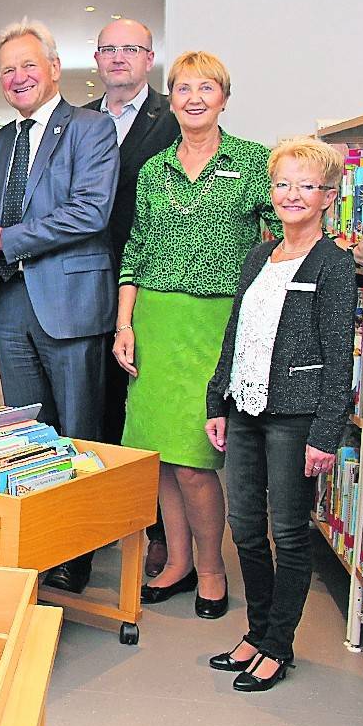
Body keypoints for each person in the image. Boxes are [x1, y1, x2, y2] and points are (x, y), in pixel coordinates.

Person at [113, 51, 280, 617]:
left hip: (216, 326)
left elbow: (287, 238)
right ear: (171, 99)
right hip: (155, 321)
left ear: (224, 98)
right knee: (158, 456)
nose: (193, 98)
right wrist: (123, 324)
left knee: (196, 460)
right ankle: (178, 563)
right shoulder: (155, 169)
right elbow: (137, 249)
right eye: (182, 88)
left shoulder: (254, 162)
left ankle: (212, 570)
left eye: (206, 88)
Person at [0, 20, 119, 595]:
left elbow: (89, 212)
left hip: (70, 301)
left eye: (28, 65)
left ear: (55, 68)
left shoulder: (90, 127)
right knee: (30, 432)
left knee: (78, 429)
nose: (18, 77)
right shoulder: (0, 142)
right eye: (7, 70)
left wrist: (7, 239)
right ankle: (40, 538)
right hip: (9, 302)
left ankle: (76, 551)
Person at [204, 138, 354, 691]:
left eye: (306, 185)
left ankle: (277, 646)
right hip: (244, 408)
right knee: (243, 527)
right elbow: (236, 336)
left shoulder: (333, 265)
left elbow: (340, 357)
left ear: (327, 196)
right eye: (283, 183)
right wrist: (217, 399)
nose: (292, 194)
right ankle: (257, 630)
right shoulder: (258, 254)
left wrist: (326, 434)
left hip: (296, 416)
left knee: (288, 533)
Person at [86, 18, 181, 581]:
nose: (119, 58)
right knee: (95, 408)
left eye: (132, 49)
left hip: (150, 286)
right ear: (97, 59)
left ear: (150, 59)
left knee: (147, 416)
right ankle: (104, 527)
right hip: (86, 284)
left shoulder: (176, 117)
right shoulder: (78, 120)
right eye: (109, 50)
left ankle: (161, 536)